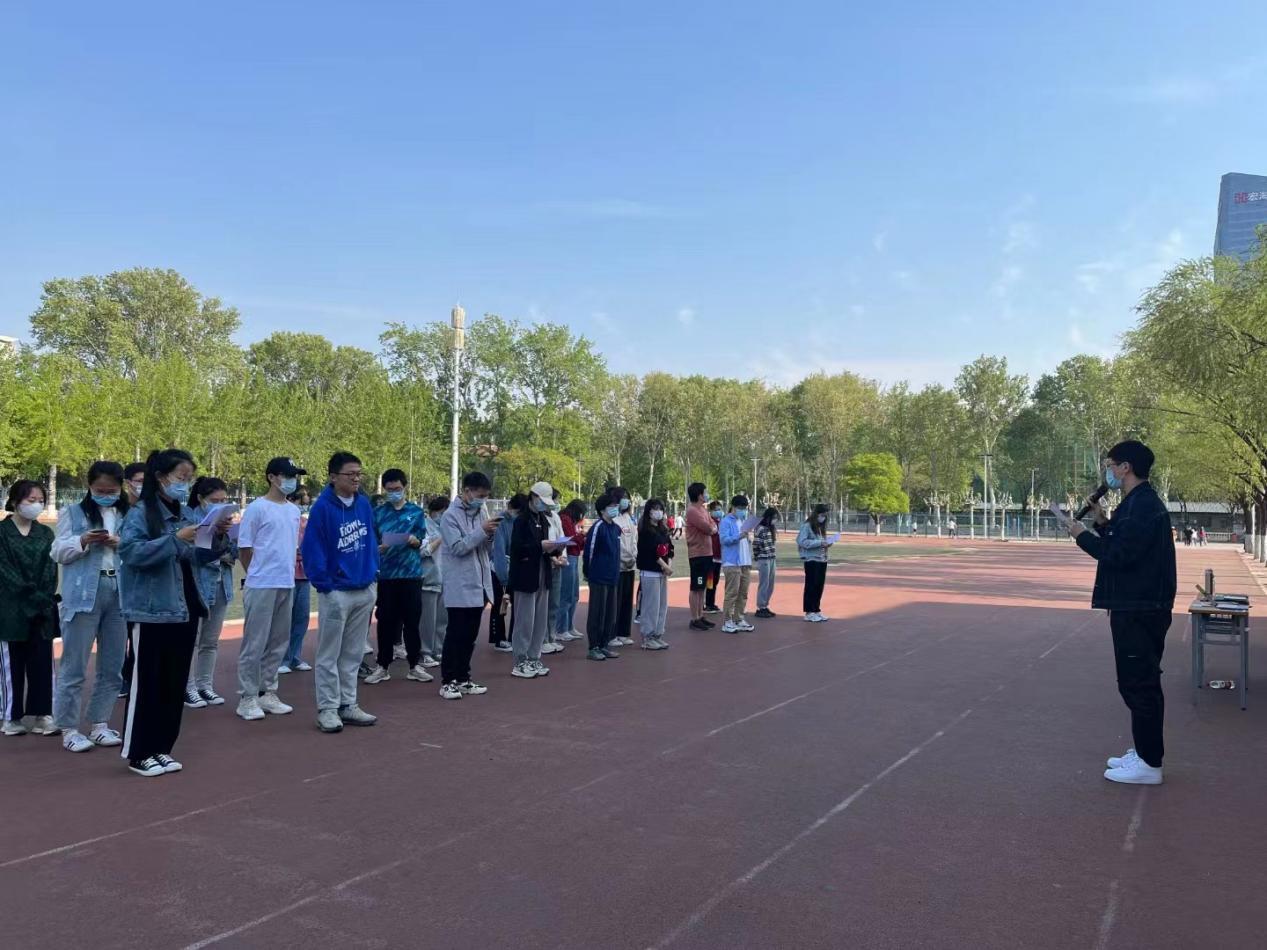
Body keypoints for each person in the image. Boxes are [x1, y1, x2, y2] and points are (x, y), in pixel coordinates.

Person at [1064, 440, 1176, 786]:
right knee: (1137, 682)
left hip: (1140, 608)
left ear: (1126, 467)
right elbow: (1121, 542)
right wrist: (1101, 522)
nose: (1108, 471)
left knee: (1139, 684)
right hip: (1137, 605)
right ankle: (1144, 753)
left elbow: (1117, 556)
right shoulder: (1136, 503)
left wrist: (1082, 535)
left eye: (1111, 464)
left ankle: (1149, 764)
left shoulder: (1142, 506)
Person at [118, 449, 211, 777]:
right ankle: (138, 752)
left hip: (185, 608)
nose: (184, 484)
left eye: (188, 478)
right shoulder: (141, 513)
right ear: (160, 477)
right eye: (180, 477)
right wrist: (174, 540)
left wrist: (217, 538)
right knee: (147, 683)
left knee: (173, 684)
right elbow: (130, 553)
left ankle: (161, 748)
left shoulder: (186, 512)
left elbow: (195, 556)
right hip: (152, 610)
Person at [51, 462, 130, 751]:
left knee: (112, 665)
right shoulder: (73, 512)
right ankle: (68, 728)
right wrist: (82, 540)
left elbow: (138, 550)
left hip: (119, 592)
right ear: (90, 487)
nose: (106, 495)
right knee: (74, 665)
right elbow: (58, 552)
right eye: (100, 490)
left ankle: (100, 723)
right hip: (83, 592)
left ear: (120, 488)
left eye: (112, 490)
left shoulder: (128, 514)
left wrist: (119, 543)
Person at [300, 452, 380, 733]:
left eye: (359, 473)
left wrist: (373, 574)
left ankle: (348, 703)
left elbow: (371, 540)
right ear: (334, 477)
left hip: (364, 588)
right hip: (336, 591)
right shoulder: (323, 508)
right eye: (350, 474)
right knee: (329, 653)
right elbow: (312, 549)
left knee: (354, 653)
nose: (356, 478)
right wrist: (325, 585)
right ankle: (328, 708)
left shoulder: (363, 504)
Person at [234, 457, 304, 722]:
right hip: (262, 583)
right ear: (272, 477)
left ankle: (267, 691)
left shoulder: (294, 511)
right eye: (287, 475)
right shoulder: (257, 508)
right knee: (255, 642)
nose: (292, 480)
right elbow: (245, 548)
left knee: (278, 642)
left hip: (287, 581)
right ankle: (247, 697)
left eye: (294, 476)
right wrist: (256, 574)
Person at [1, 481, 59, 738]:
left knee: (42, 662)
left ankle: (43, 714)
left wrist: (42, 596)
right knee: (11, 665)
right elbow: (4, 570)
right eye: (30, 500)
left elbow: (50, 568)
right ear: (15, 501)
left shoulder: (45, 534)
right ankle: (10, 716)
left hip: (41, 608)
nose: (36, 505)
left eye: (40, 500)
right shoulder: (2, 533)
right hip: (10, 608)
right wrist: (28, 592)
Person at [364, 468, 432, 686]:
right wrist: (384, 545)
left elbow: (420, 540)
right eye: (390, 489)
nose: (394, 492)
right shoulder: (378, 513)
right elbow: (373, 541)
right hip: (387, 576)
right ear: (384, 489)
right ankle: (383, 666)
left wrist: (412, 540)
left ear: (404, 487)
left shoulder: (416, 512)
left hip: (411, 575)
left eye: (398, 488)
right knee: (385, 622)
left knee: (412, 622)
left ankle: (414, 665)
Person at [437, 471, 498, 700]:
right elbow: (458, 547)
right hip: (459, 584)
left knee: (470, 636)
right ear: (466, 491)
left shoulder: (481, 512)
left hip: (480, 583)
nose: (482, 500)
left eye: (485, 496)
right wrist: (482, 531)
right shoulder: (450, 516)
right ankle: (448, 681)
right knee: (456, 634)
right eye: (479, 495)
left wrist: (490, 535)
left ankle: (463, 678)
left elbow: (486, 548)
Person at [184, 477, 236, 709]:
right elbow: (194, 554)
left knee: (211, 641)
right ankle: (188, 688)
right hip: (197, 585)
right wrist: (219, 550)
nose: (220, 505)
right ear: (200, 499)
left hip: (221, 583)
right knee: (192, 640)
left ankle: (205, 685)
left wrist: (223, 542)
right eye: (215, 501)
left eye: (224, 501)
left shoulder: (227, 522)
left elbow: (234, 551)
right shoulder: (190, 520)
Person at [508, 481, 563, 678]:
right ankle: (520, 659)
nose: (544, 506)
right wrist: (540, 546)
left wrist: (557, 549)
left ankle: (534, 656)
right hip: (525, 575)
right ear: (533, 497)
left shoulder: (544, 519)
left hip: (543, 572)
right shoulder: (521, 521)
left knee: (540, 619)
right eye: (542, 501)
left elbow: (547, 548)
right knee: (524, 619)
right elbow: (517, 549)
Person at [118, 461, 148, 698]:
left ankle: (133, 676)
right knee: (120, 635)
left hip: (141, 582)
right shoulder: (118, 510)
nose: (143, 486)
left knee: (139, 636)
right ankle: (120, 677)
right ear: (128, 483)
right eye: (139, 481)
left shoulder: (152, 510)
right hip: (117, 579)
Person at [583, 493, 623, 661]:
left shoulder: (616, 528)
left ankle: (604, 644)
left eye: (616, 505)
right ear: (602, 510)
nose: (615, 508)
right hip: (598, 576)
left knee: (610, 613)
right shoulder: (598, 527)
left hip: (613, 576)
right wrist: (588, 572)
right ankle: (593, 647)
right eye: (611, 506)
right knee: (597, 612)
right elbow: (589, 552)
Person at [279, 487, 313, 675]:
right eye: (302, 499)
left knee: (302, 616)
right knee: (285, 618)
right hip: (286, 574)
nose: (305, 502)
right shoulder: (283, 522)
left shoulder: (306, 523)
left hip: (304, 575)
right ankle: (281, 658)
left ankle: (294, 656)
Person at [636, 498, 674, 650]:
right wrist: (664, 566)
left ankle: (658, 634)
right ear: (649, 512)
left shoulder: (662, 530)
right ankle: (648, 636)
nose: (658, 512)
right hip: (650, 571)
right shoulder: (645, 531)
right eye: (655, 509)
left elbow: (670, 549)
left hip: (662, 573)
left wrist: (668, 565)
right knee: (651, 606)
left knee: (662, 605)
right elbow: (650, 552)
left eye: (660, 509)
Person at [489, 494, 523, 652]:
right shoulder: (500, 522)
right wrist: (503, 577)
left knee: (517, 604)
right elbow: (499, 551)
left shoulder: (520, 521)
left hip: (515, 569)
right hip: (498, 568)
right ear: (510, 507)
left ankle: (513, 637)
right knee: (499, 604)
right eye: (516, 511)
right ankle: (499, 638)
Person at [418, 495, 448, 668]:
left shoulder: (447, 527)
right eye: (442, 513)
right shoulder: (423, 526)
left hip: (445, 578)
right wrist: (439, 539)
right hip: (428, 578)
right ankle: (425, 652)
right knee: (427, 620)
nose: (443, 516)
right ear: (434, 512)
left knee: (442, 619)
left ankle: (438, 648)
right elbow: (422, 551)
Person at [718, 495, 756, 633]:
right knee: (732, 593)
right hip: (732, 562)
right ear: (733, 507)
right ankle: (727, 621)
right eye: (741, 508)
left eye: (745, 508)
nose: (743, 510)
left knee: (743, 593)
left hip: (745, 562)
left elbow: (745, 539)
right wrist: (738, 536)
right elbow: (724, 540)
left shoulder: (743, 521)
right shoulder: (726, 521)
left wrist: (749, 538)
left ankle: (739, 619)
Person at [684, 483, 717, 631]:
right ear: (699, 495)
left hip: (707, 554)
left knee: (702, 586)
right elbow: (709, 528)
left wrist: (712, 528)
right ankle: (694, 618)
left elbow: (713, 525)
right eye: (705, 492)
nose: (707, 494)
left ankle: (700, 615)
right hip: (698, 555)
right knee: (696, 586)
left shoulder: (703, 509)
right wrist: (712, 528)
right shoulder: (692, 511)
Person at [540, 487, 569, 656]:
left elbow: (562, 537)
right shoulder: (539, 517)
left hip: (558, 564)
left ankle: (551, 636)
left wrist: (562, 557)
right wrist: (552, 558)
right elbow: (542, 542)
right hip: (546, 563)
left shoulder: (555, 517)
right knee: (543, 604)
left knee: (554, 603)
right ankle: (542, 639)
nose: (556, 503)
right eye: (554, 499)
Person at [610, 487, 638, 647]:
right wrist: (625, 558)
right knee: (616, 601)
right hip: (618, 566)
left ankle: (623, 632)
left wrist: (633, 556)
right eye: (623, 497)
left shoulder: (629, 518)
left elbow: (634, 539)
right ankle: (612, 634)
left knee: (627, 600)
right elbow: (617, 543)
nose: (626, 500)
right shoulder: (613, 519)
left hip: (630, 566)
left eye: (627, 497)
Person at [555, 499, 587, 641]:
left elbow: (575, 541)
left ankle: (568, 626)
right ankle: (561, 628)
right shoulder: (565, 519)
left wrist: (581, 538)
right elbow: (570, 539)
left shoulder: (571, 521)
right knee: (567, 594)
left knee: (574, 595)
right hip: (568, 557)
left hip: (574, 556)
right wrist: (582, 536)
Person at [798, 504, 835, 622]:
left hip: (822, 559)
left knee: (819, 586)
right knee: (811, 586)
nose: (823, 517)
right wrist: (819, 543)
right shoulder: (807, 526)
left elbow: (821, 541)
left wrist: (827, 543)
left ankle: (816, 610)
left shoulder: (820, 527)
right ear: (817, 514)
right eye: (822, 515)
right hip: (811, 559)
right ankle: (809, 612)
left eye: (825, 515)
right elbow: (802, 541)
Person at [753, 507, 780, 619]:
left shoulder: (770, 528)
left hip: (772, 558)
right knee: (764, 583)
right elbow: (756, 544)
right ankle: (761, 607)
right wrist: (757, 555)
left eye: (776, 518)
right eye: (774, 517)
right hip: (764, 558)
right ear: (768, 517)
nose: (775, 520)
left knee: (770, 583)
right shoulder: (761, 528)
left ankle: (765, 605)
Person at [705, 500, 724, 614]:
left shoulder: (721, 522)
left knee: (715, 581)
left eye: (720, 509)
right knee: (710, 581)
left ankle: (711, 603)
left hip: (719, 557)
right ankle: (708, 604)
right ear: (711, 511)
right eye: (716, 510)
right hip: (710, 556)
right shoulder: (709, 522)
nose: (718, 512)